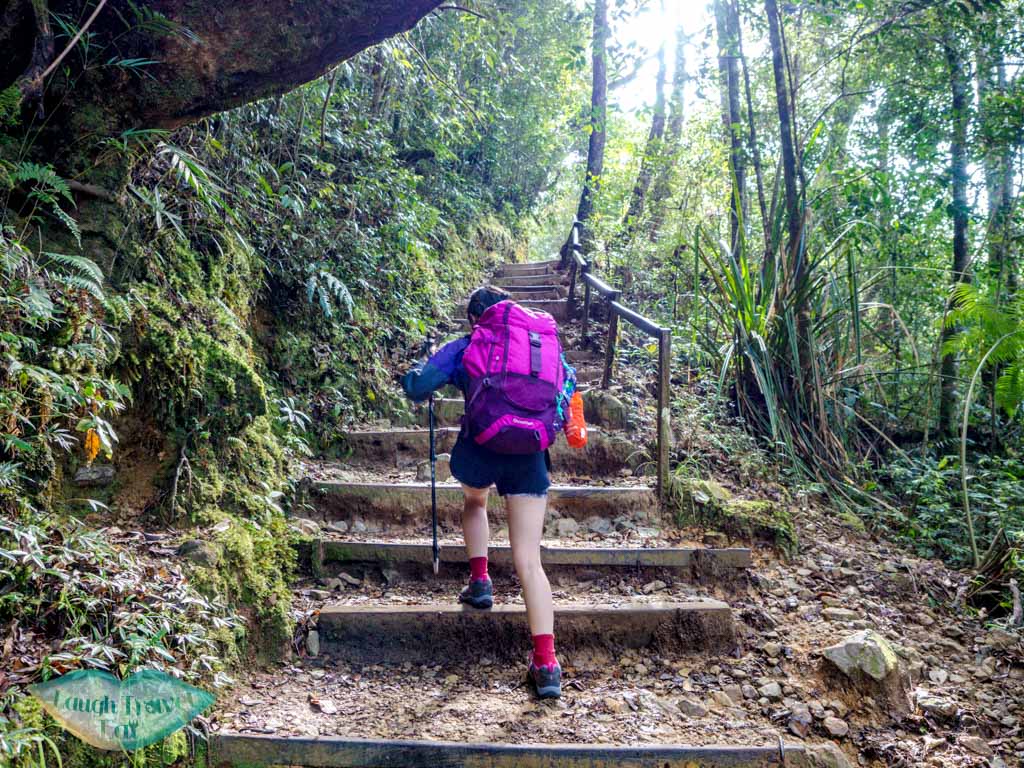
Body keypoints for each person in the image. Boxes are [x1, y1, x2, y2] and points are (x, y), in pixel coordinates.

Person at [401, 285, 578, 699]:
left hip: (481, 447)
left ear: (474, 318)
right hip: (530, 456)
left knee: (474, 500)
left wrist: (411, 376)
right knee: (530, 561)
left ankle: (480, 582)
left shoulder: (469, 344)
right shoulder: (540, 347)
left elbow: (420, 385)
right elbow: (566, 389)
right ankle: (547, 664)